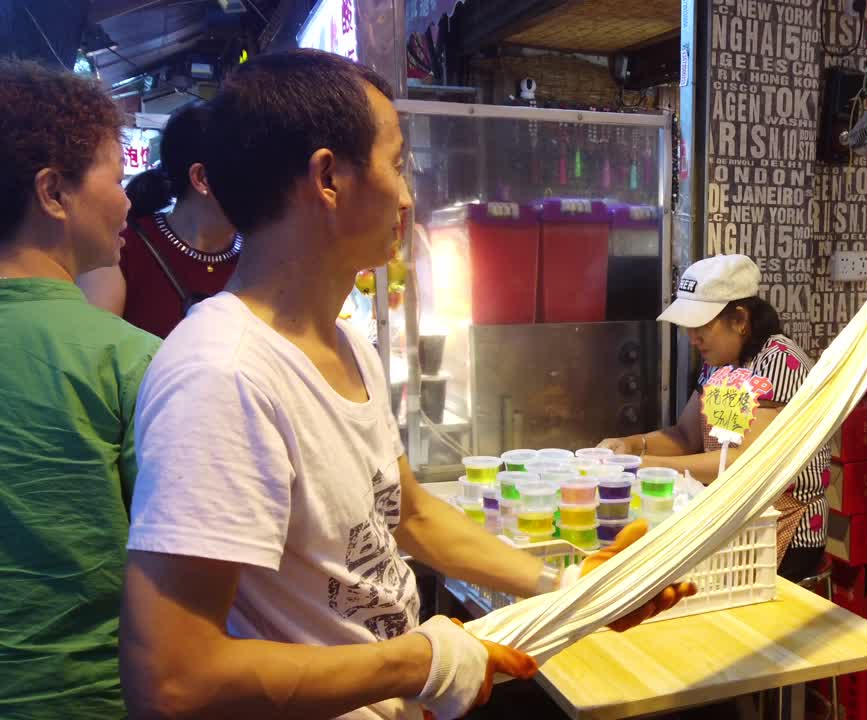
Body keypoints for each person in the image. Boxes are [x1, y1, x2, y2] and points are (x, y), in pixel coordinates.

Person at [119, 50, 693, 720]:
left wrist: (565, 587)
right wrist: (421, 663)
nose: (407, 195)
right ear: (328, 178)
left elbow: (410, 514)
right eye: (397, 164)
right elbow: (172, 680)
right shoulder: (222, 375)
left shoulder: (346, 346)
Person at [0, 60, 161, 718]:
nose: (127, 202)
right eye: (116, 178)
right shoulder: (128, 361)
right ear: (53, 192)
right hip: (90, 698)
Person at [597, 254, 830, 582]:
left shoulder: (779, 361)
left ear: (740, 319)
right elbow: (685, 436)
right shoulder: (717, 363)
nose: (692, 337)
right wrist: (631, 445)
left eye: (702, 325)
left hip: (783, 527)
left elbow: (743, 462)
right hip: (734, 518)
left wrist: (644, 465)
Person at [78, 101, 241, 337]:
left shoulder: (260, 254)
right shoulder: (120, 249)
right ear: (201, 178)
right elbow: (93, 348)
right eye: (250, 168)